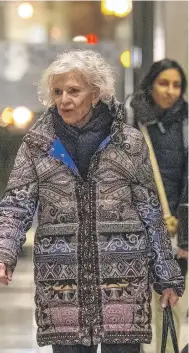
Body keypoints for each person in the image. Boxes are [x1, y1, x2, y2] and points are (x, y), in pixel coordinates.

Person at [0, 50, 184, 353]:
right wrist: (1, 254)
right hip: (62, 283)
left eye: (74, 91)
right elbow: (16, 204)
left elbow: (150, 212)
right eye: (57, 92)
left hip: (122, 282)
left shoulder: (129, 143)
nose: (64, 99)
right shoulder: (38, 144)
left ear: (96, 93)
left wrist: (166, 275)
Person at [128, 59, 188, 353]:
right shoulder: (130, 119)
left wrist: (186, 236)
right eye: (164, 83)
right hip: (135, 226)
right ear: (151, 84)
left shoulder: (187, 122)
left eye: (177, 85)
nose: (170, 91)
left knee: (171, 300)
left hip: (175, 227)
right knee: (136, 306)